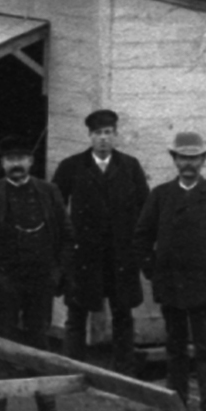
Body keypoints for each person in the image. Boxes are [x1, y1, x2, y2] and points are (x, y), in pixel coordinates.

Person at [134, 130, 206, 411]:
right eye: (183, 157)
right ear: (174, 159)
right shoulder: (160, 195)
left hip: (204, 283)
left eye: (194, 158)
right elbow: (142, 236)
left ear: (203, 160)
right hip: (170, 282)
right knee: (175, 343)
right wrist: (152, 269)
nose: (188, 164)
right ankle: (175, 399)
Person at [0, 136, 72, 411]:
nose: (16, 165)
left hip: (40, 283)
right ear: (2, 164)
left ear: (31, 162)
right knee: (3, 346)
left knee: (40, 343)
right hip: (4, 284)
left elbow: (66, 237)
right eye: (10, 159)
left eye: (22, 158)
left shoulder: (49, 193)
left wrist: (56, 273)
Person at [52, 108, 149, 373]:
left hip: (121, 254)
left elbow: (146, 210)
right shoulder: (71, 166)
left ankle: (124, 370)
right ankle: (72, 369)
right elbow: (55, 209)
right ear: (89, 136)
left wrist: (137, 250)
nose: (103, 138)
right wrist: (66, 248)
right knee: (76, 314)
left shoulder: (130, 167)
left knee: (122, 314)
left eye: (108, 133)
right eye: (97, 133)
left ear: (116, 135)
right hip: (84, 255)